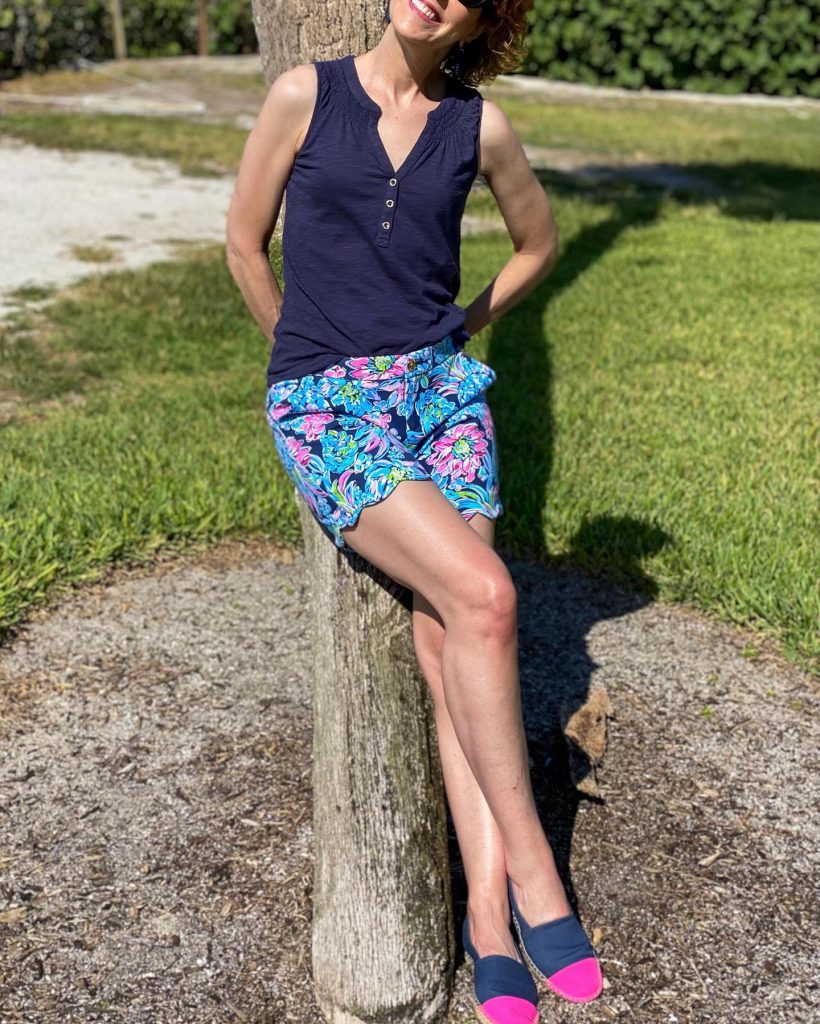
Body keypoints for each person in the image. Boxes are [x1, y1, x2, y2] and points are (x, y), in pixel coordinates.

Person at [226, 1, 603, 1020]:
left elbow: (536, 243)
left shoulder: (478, 126)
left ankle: (485, 921)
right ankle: (534, 873)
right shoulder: (305, 95)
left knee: (451, 644)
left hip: (439, 395)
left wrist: (461, 325)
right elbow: (243, 243)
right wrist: (298, 363)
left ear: (484, 15)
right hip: (325, 399)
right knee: (485, 593)